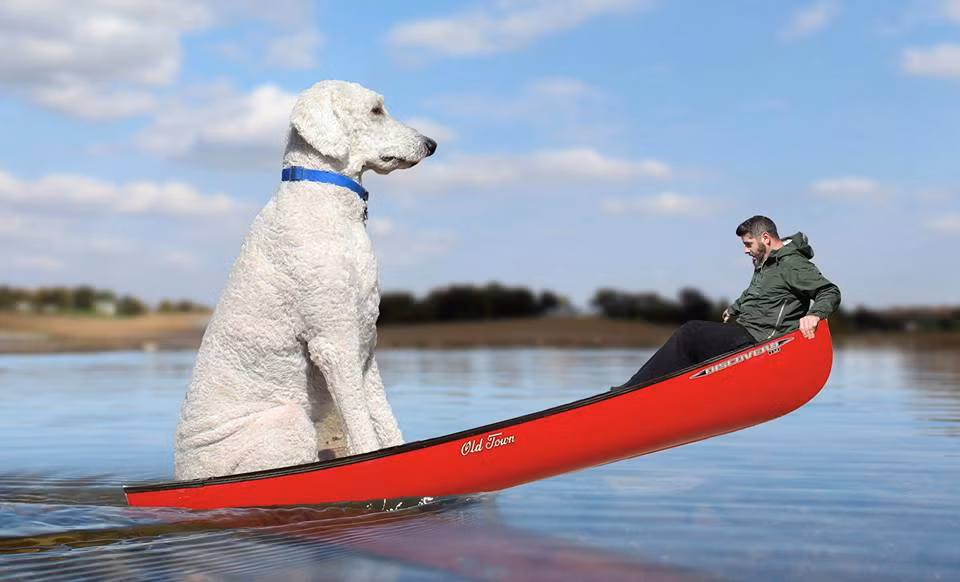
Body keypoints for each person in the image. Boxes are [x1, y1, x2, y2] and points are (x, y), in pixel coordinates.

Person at [613, 215, 841, 389]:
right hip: (745, 330)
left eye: (748, 244)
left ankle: (632, 390)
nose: (745, 250)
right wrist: (734, 308)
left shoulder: (792, 265)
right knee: (694, 345)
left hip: (761, 341)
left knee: (690, 333)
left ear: (765, 238)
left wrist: (815, 314)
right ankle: (660, 391)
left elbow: (829, 291)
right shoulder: (766, 262)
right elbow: (757, 293)